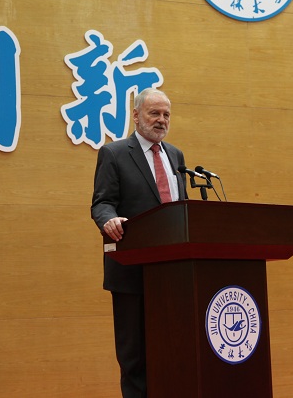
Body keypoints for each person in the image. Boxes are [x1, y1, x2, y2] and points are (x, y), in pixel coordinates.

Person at [91, 88, 187, 398]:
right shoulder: (115, 153)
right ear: (135, 115)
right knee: (134, 358)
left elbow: (182, 208)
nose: (162, 120)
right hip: (131, 271)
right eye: (154, 113)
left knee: (173, 350)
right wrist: (109, 220)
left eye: (166, 115)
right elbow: (102, 203)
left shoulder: (176, 155)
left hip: (173, 273)